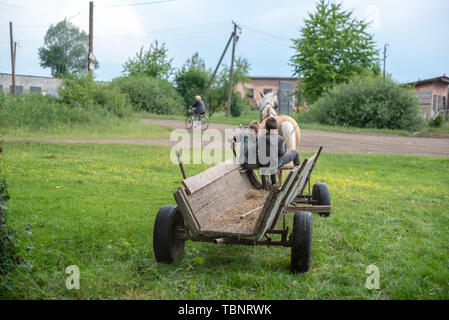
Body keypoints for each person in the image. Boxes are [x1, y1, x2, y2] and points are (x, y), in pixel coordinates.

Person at [258, 117, 300, 186]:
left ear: (266, 128)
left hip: (265, 163)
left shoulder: (261, 138)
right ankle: (298, 171)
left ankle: (274, 182)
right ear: (276, 128)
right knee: (295, 153)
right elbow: (282, 153)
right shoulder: (280, 139)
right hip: (276, 163)